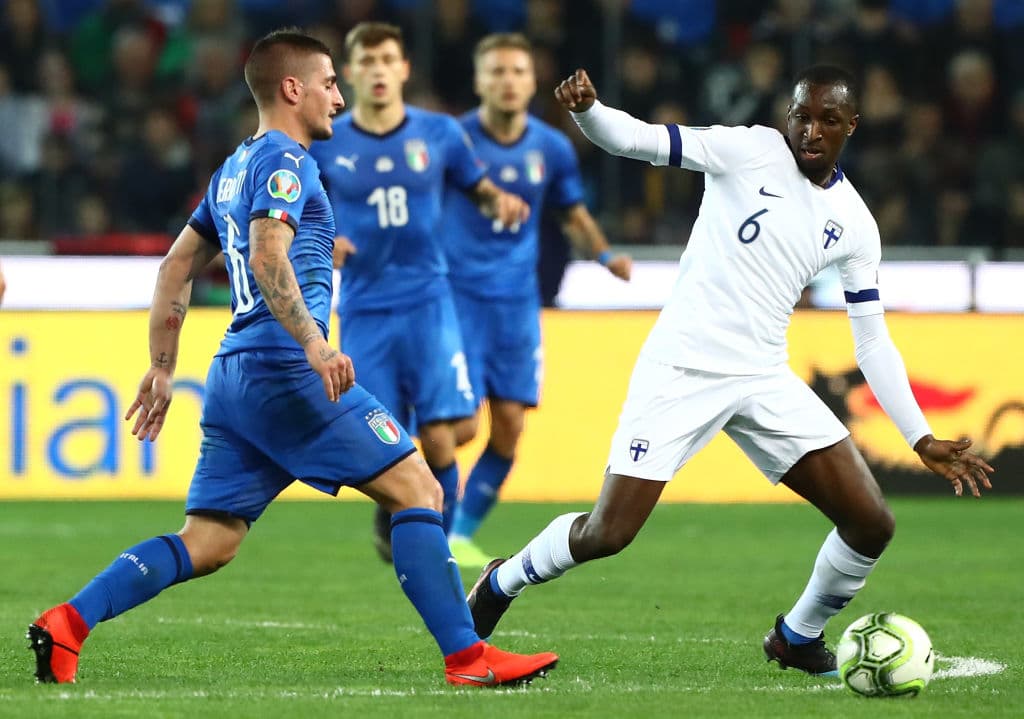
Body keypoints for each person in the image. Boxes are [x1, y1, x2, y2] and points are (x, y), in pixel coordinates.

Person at [27, 29, 557, 688]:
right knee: (418, 488)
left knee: (210, 540)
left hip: (234, 375)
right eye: (330, 82)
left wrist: (163, 366)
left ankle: (69, 622)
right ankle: (468, 658)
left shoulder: (231, 169)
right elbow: (268, 251)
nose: (339, 96)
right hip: (285, 370)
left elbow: (176, 265)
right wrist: (315, 342)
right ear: (292, 89)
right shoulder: (288, 161)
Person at [466, 66, 995, 677]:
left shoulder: (855, 225)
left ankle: (797, 636)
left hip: (762, 375)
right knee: (608, 533)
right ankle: (502, 579)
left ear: (853, 125)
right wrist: (589, 111)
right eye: (802, 115)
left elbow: (871, 341)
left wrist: (918, 436)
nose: (811, 130)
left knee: (871, 521)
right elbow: (636, 139)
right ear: (787, 115)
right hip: (682, 367)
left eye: (828, 119)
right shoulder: (748, 149)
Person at [308, 22, 529, 562]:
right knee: (385, 439)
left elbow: (475, 187)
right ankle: (397, 511)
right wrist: (326, 239)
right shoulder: (326, 145)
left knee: (442, 432)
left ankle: (439, 547)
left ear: (403, 68)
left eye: (388, 59)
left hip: (429, 303)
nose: (379, 69)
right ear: (351, 72)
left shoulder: (441, 135)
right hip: (364, 308)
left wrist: (496, 201)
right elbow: (308, 215)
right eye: (368, 60)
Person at [443, 34, 632, 568]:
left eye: (517, 71)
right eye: (497, 71)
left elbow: (571, 212)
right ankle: (411, 500)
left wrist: (605, 255)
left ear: (531, 82)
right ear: (480, 81)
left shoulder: (551, 147)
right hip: (456, 300)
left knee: (509, 429)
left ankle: (456, 535)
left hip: (516, 307)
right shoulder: (452, 140)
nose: (507, 80)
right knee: (459, 427)